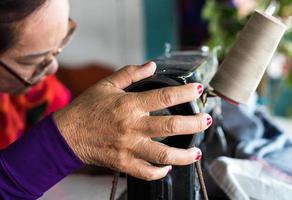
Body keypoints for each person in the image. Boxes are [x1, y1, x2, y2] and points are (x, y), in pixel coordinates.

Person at [0, 0, 212, 199]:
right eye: (34, 60)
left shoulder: (39, 92)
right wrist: (69, 140)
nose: (53, 67)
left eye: (64, 37)